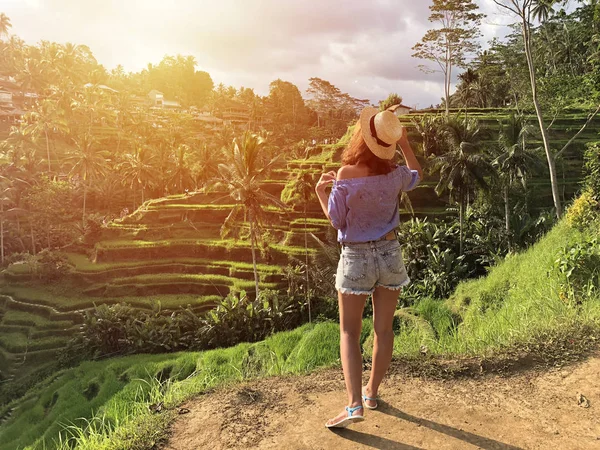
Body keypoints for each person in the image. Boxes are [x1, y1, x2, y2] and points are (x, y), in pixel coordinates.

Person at [315, 106, 422, 429]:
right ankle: (372, 393)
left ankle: (354, 405)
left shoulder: (346, 175)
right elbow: (416, 176)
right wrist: (404, 144)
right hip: (390, 253)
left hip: (357, 257)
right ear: (387, 143)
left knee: (349, 332)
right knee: (384, 330)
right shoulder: (395, 175)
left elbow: (337, 220)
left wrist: (321, 192)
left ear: (362, 137)